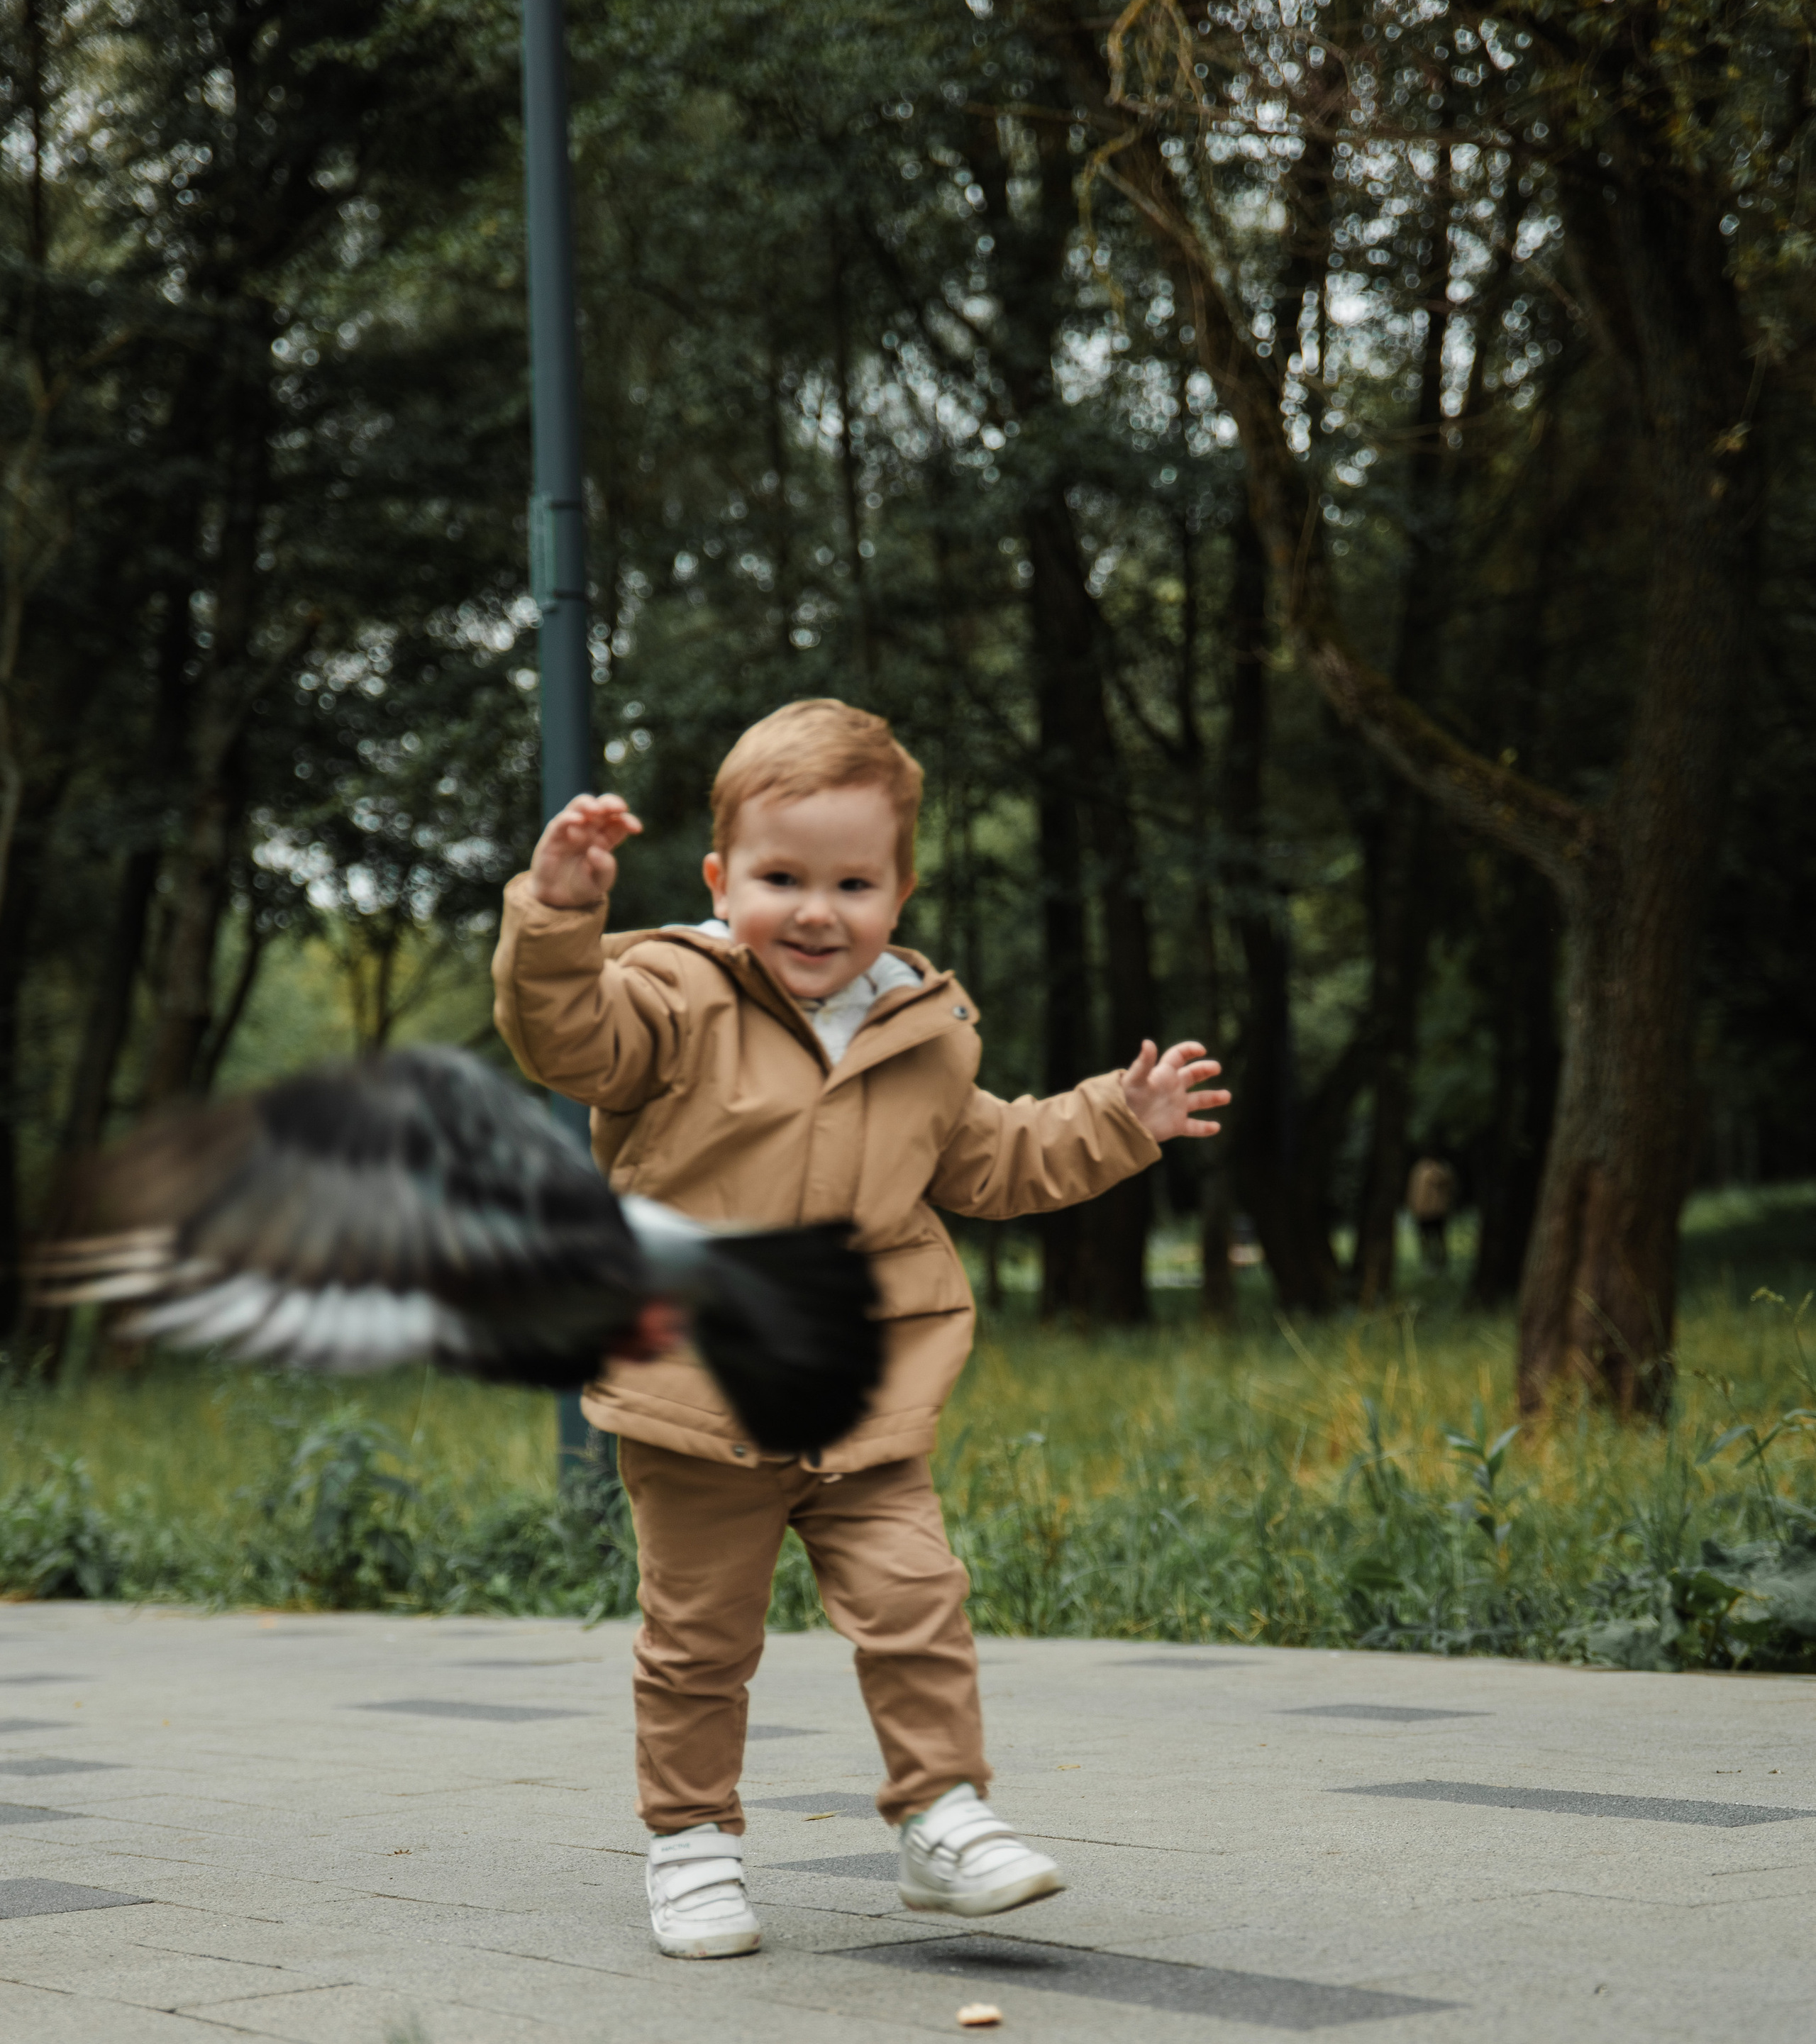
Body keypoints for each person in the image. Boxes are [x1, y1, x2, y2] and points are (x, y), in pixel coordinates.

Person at [492, 698, 1228, 1960]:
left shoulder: (926, 1032)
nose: (816, 911)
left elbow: (997, 1160)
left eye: (852, 881)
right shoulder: (668, 996)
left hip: (864, 1390)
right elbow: (564, 1037)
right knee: (699, 1643)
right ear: (725, 880)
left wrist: (1120, 1115)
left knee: (917, 1599)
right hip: (700, 1395)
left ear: (900, 890)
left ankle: (943, 1816)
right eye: (781, 879)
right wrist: (559, 914)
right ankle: (693, 1845)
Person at [1406, 1155, 1458, 1271]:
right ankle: (1428, 1262)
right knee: (1425, 1238)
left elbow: (1447, 1182)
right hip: (1423, 1211)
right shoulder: (1419, 1169)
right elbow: (1414, 1190)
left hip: (1437, 1211)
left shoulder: (1440, 1170)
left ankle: (1440, 1263)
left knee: (1438, 1238)